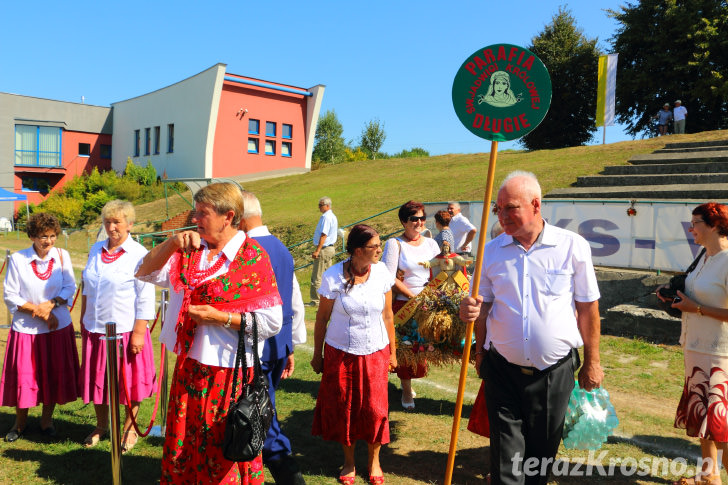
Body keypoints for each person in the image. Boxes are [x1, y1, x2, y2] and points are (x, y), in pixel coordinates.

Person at [460, 171, 603, 485]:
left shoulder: (572, 247)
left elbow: (588, 308)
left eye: (510, 207)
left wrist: (593, 361)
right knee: (505, 464)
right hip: (502, 370)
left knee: (539, 461)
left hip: (554, 373)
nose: (503, 215)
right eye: (498, 209)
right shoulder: (491, 251)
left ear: (535, 205)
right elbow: (482, 305)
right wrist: (475, 334)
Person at [136, 182, 282, 485]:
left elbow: (271, 323)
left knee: (223, 450)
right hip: (191, 368)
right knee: (185, 449)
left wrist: (222, 318)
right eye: (196, 212)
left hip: (229, 373)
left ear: (228, 216)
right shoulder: (191, 252)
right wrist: (172, 244)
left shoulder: (252, 257)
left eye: (203, 213)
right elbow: (144, 272)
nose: (195, 219)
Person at [310, 224, 397, 485]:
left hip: (376, 351)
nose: (380, 250)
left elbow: (388, 315)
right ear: (358, 250)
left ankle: (374, 461)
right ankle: (349, 462)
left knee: (375, 409)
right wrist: (318, 354)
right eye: (375, 246)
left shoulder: (381, 272)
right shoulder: (333, 276)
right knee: (345, 408)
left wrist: (393, 353)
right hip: (341, 353)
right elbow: (322, 319)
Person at [657, 203, 728, 485]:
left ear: (714, 225)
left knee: (719, 422)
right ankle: (709, 476)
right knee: (704, 419)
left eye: (695, 222)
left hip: (719, 353)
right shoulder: (704, 256)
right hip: (696, 349)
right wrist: (674, 298)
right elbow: (694, 294)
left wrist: (695, 308)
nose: (691, 228)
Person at [239, 191, 306, 485]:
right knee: (261, 414)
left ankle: (288, 477)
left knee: (260, 418)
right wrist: (291, 344)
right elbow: (295, 300)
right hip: (277, 345)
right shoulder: (280, 247)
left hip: (258, 348)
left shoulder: (249, 249)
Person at [79, 200, 156, 452]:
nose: (111, 227)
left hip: (125, 330)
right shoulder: (95, 249)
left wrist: (139, 333)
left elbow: (145, 296)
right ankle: (102, 425)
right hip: (95, 328)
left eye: (117, 222)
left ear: (130, 224)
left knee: (128, 384)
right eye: (107, 222)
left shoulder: (139, 254)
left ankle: (129, 428)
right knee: (97, 380)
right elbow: (87, 288)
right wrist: (83, 319)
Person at [0, 213, 78, 442]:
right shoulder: (17, 259)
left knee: (52, 375)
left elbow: (69, 288)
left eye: (53, 236)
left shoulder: (62, 256)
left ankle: (46, 421)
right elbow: (11, 295)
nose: (49, 241)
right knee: (26, 377)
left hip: (57, 327)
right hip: (27, 330)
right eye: (44, 236)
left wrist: (50, 306)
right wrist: (41, 314)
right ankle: (20, 423)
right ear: (32, 236)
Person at [381, 201, 440, 410]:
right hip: (404, 305)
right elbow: (388, 277)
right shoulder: (394, 244)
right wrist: (411, 296)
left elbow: (439, 272)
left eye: (422, 218)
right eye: (414, 218)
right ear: (404, 221)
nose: (419, 222)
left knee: (422, 350)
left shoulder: (431, 243)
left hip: (427, 304)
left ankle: (409, 382)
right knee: (406, 350)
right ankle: (406, 390)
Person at [309, 196, 338, 306]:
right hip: (330, 248)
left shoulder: (326, 217)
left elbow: (324, 234)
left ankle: (316, 300)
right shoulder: (333, 216)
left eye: (320, 205)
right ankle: (329, 297)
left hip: (324, 249)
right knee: (328, 275)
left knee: (317, 275)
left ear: (327, 205)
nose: (319, 207)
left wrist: (317, 250)